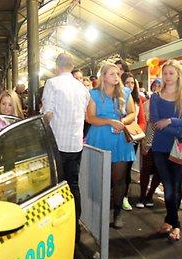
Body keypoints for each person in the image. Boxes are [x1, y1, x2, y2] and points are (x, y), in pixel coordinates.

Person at [41, 53, 90, 240]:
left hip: (57, 144)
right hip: (76, 144)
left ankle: (59, 225)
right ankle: (75, 224)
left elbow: (48, 114)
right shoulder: (82, 88)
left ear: (56, 66)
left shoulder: (52, 84)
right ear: (72, 66)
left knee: (55, 186)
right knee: (73, 184)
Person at [85, 63, 136, 228]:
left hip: (120, 138)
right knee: (100, 177)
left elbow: (132, 113)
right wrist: (109, 121)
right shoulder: (93, 94)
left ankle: (118, 212)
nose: (116, 76)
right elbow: (90, 118)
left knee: (119, 179)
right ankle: (99, 211)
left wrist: (121, 122)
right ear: (103, 76)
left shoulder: (126, 92)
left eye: (117, 73)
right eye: (112, 74)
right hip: (100, 137)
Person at [149, 59, 182, 242]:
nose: (167, 77)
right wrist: (177, 128)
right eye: (165, 73)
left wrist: (170, 121)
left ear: (178, 75)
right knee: (168, 186)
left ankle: (170, 221)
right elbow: (155, 122)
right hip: (160, 147)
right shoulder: (155, 98)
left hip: (180, 148)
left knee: (176, 186)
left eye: (171, 73)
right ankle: (176, 225)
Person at [121, 72, 147, 211]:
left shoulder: (138, 101)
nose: (130, 85)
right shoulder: (117, 98)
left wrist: (136, 135)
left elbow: (142, 120)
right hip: (119, 136)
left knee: (127, 169)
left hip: (133, 139)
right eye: (127, 83)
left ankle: (124, 197)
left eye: (132, 83)